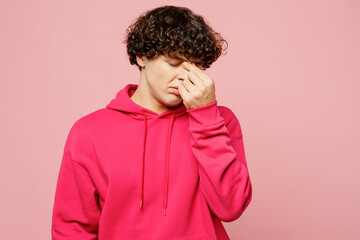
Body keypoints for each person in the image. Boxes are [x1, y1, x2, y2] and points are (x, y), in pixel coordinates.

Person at [51, 5, 252, 240]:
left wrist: (205, 116)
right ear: (142, 56)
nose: (185, 76)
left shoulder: (220, 121)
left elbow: (231, 207)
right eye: (174, 63)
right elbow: (72, 230)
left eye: (195, 66)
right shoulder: (88, 132)